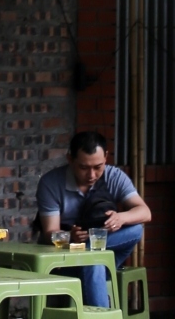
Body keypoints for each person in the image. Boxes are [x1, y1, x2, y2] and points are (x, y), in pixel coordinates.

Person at [37, 130, 152, 309]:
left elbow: (145, 212)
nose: (91, 175)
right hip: (65, 260)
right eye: (84, 168)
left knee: (135, 229)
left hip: (106, 249)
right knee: (94, 259)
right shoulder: (51, 183)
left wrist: (120, 218)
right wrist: (69, 237)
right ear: (70, 159)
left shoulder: (114, 176)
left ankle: (90, 252)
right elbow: (48, 234)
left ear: (106, 157)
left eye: (98, 167)